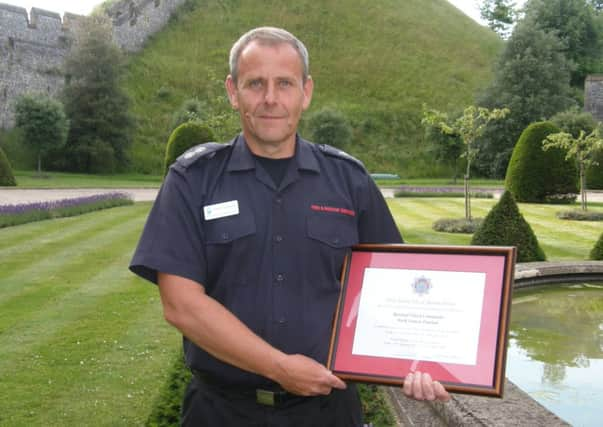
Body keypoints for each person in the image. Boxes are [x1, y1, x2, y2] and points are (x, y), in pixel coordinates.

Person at [129, 26, 449, 427]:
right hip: (222, 412)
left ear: (306, 92)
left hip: (328, 412)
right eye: (255, 84)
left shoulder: (349, 181)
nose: (270, 99)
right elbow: (181, 306)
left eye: (285, 83)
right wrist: (279, 367)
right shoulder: (193, 180)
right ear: (233, 91)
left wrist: (421, 358)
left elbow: (397, 290)